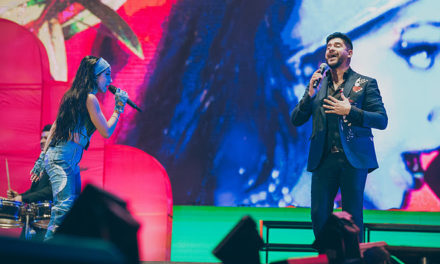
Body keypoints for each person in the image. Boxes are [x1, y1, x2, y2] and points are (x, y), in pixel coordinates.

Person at [290, 32, 388, 242]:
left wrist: (350, 111)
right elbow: (296, 119)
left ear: (349, 53)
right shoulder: (317, 85)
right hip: (323, 159)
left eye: (336, 45)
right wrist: (309, 96)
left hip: (353, 160)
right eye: (328, 47)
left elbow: (381, 120)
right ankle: (328, 256)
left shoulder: (365, 83)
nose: (330, 49)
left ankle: (353, 257)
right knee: (318, 214)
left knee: (352, 216)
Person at [29, 56, 128, 240]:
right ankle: (49, 255)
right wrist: (118, 108)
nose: (110, 80)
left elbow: (56, 126)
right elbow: (106, 131)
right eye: (106, 74)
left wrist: (43, 157)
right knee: (63, 208)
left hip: (66, 160)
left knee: (70, 208)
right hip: (61, 160)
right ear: (94, 76)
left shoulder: (72, 96)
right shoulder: (90, 99)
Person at [7, 124, 53, 240]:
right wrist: (19, 196)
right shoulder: (41, 161)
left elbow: (50, 190)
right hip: (33, 218)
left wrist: (23, 199)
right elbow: (36, 190)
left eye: (46, 138)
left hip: (47, 221)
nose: (42, 141)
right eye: (41, 137)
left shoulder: (58, 162)